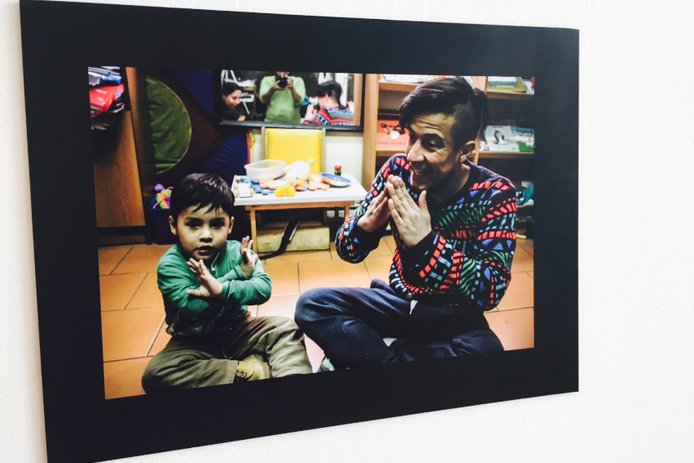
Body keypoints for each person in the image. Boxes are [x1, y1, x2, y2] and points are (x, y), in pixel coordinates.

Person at [295, 77, 517, 369]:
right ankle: (400, 362)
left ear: (464, 151)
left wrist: (428, 245)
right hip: (398, 301)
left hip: (454, 316)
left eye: (431, 144)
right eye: (411, 137)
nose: (412, 155)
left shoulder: (496, 194)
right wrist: (364, 228)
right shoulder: (397, 171)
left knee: (487, 351)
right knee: (311, 305)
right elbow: (347, 250)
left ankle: (378, 356)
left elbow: (491, 290)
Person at [142, 173, 312, 391]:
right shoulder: (170, 265)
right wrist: (235, 276)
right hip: (192, 342)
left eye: (216, 225)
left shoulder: (238, 252)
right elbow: (193, 305)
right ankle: (250, 370)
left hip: (239, 329)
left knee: (286, 328)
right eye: (193, 225)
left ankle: (296, 389)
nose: (206, 235)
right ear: (173, 225)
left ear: (230, 225)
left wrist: (222, 287)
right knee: (156, 374)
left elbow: (263, 288)